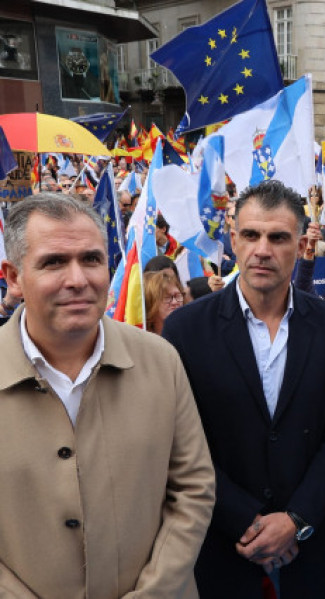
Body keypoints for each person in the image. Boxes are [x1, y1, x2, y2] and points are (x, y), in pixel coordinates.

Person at [0, 193, 215, 597]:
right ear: (13, 277)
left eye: (92, 259)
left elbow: (193, 488)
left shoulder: (161, 360)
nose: (78, 279)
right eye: (54, 262)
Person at [162, 180, 325, 597]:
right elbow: (178, 444)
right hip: (221, 548)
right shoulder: (186, 329)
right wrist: (244, 521)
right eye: (251, 235)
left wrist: (296, 519)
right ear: (234, 240)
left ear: (302, 244)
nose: (263, 249)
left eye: (278, 237)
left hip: (310, 549)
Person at [144, 268, 185, 334]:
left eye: (177, 296)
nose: (175, 302)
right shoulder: (142, 341)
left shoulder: (191, 335)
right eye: (167, 298)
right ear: (150, 303)